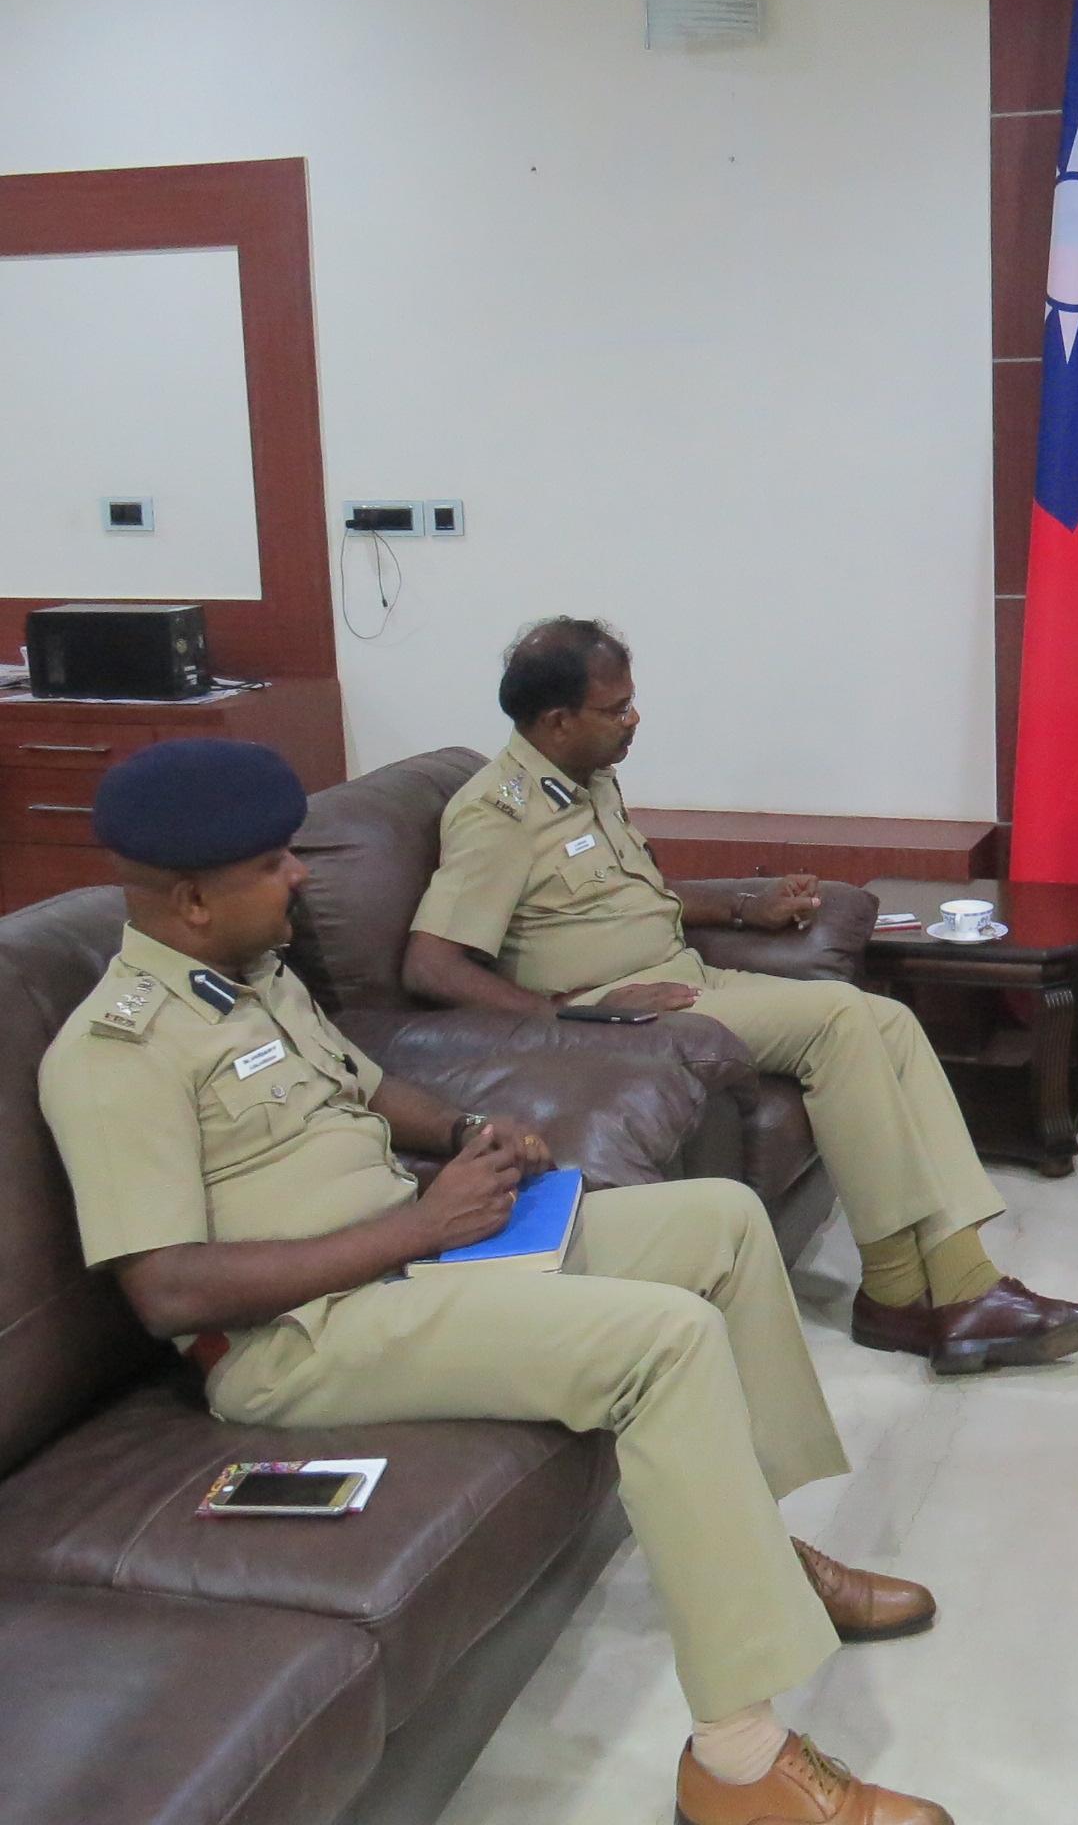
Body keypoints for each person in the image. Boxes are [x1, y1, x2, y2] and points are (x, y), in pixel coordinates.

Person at [38, 738, 954, 1825]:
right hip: (302, 1339)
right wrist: (416, 1226)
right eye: (274, 865)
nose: (300, 878)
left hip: (406, 1259)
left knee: (721, 1222)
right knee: (662, 1340)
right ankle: (739, 1764)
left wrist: (472, 1128)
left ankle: (761, 1548)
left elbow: (369, 1084)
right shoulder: (112, 1055)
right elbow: (170, 1291)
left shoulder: (256, 977)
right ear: (191, 900)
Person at [403, 616, 1078, 1375]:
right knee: (842, 1020)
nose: (634, 719)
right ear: (556, 721)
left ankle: (927, 1289)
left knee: (891, 1022)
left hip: (689, 979)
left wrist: (748, 905)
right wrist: (563, 1012)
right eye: (616, 709)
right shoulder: (498, 813)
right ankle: (920, 1291)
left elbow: (635, 896)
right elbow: (433, 963)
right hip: (624, 1013)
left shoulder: (591, 781)